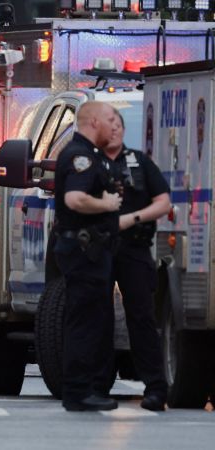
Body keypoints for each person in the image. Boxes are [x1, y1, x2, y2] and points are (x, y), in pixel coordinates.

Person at [53, 102, 122, 411]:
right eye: (110, 120)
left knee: (93, 320)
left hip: (88, 251)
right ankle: (79, 392)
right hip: (84, 252)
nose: (114, 126)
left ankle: (86, 388)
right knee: (85, 322)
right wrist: (106, 205)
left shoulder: (89, 155)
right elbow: (75, 198)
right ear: (93, 121)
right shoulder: (80, 157)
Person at [100, 111, 171, 412]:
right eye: (108, 125)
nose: (114, 130)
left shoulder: (140, 163)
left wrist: (134, 218)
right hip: (98, 250)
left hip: (135, 248)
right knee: (96, 319)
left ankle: (155, 388)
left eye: (118, 126)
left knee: (141, 318)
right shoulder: (86, 162)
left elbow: (164, 201)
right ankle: (96, 387)